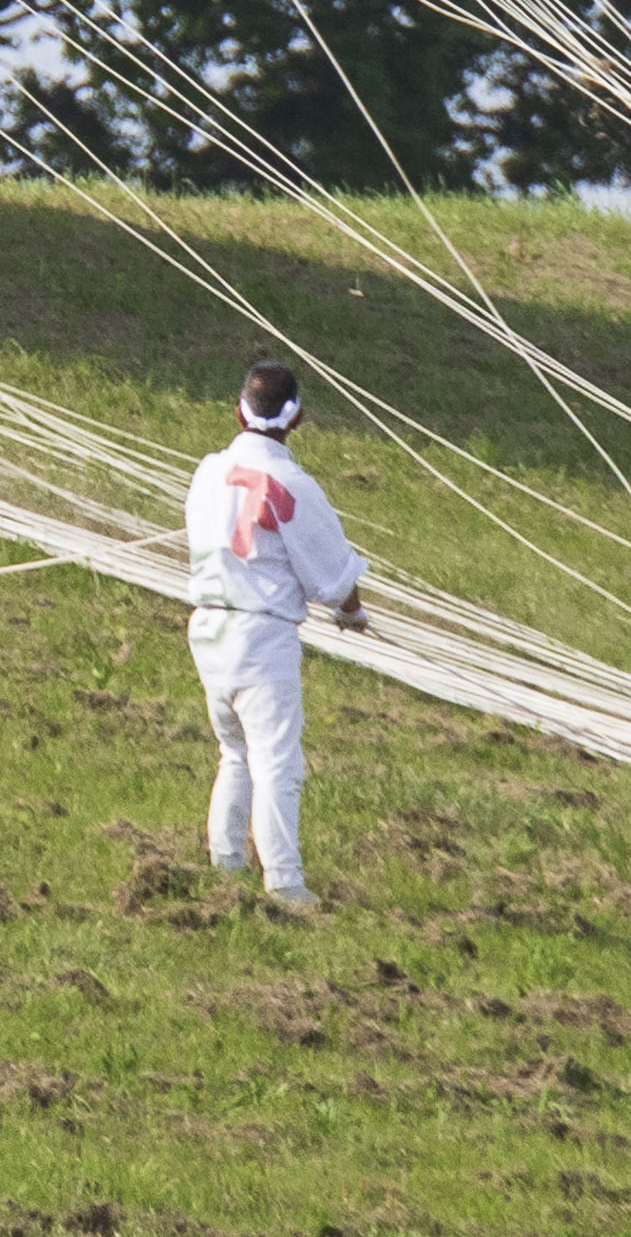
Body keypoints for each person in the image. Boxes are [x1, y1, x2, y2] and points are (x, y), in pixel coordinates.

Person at [182, 354, 371, 916]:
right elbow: (334, 576)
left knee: (233, 751)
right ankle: (285, 882)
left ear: (237, 414)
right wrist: (353, 613)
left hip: (208, 626)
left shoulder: (207, 471)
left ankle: (226, 859)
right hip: (261, 634)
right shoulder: (294, 484)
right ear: (297, 419)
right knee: (277, 761)